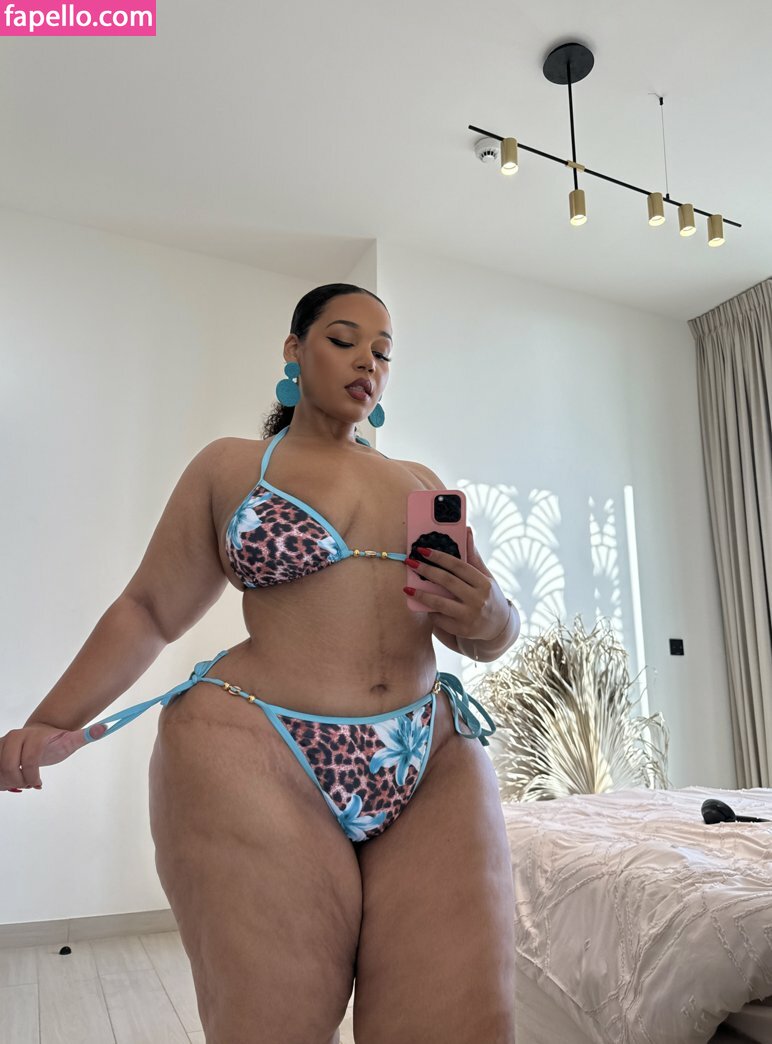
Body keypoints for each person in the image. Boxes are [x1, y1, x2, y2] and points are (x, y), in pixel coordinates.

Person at [1, 283, 521, 1043]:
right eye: (343, 340)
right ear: (294, 349)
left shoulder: (420, 484)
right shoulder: (232, 466)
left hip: (428, 755)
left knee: (462, 1023)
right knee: (274, 1024)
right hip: (260, 752)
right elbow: (149, 610)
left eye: (383, 352)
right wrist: (51, 721)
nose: (367, 362)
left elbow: (484, 635)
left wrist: (493, 614)